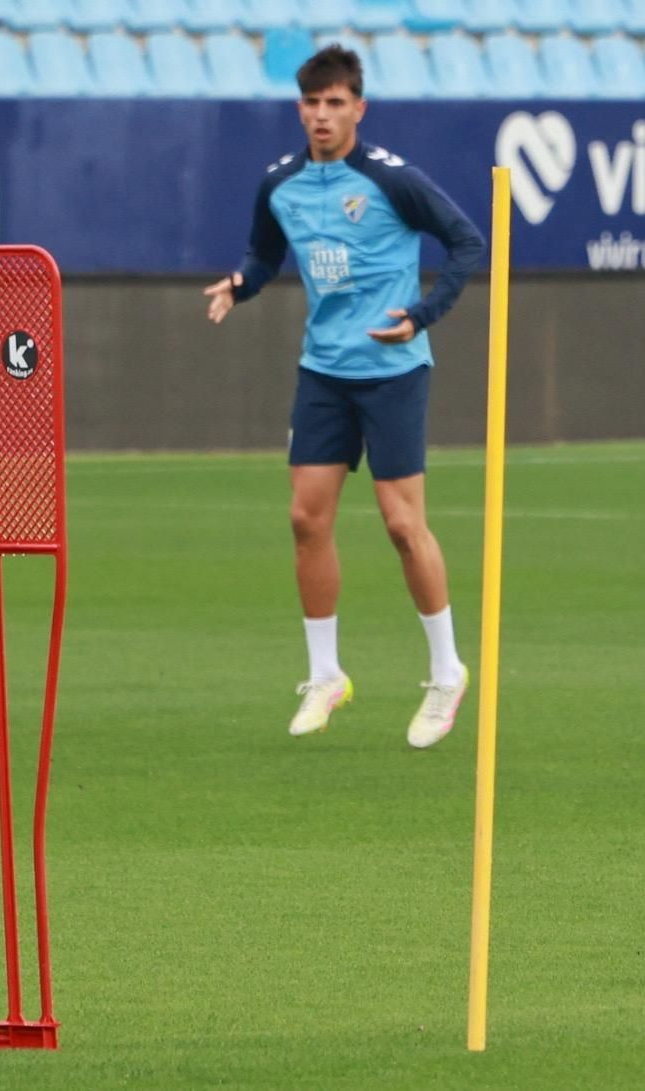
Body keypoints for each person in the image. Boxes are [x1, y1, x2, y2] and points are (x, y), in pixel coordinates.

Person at [203, 46, 485, 746]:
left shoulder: (392, 179)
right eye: (312, 103)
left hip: (393, 370)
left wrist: (420, 316)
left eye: (335, 103)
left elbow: (466, 242)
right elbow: (265, 255)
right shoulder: (281, 183)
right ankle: (326, 674)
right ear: (300, 109)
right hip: (323, 370)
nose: (322, 115)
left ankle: (447, 670)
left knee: (400, 523)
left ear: (358, 107)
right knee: (305, 518)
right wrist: (241, 284)